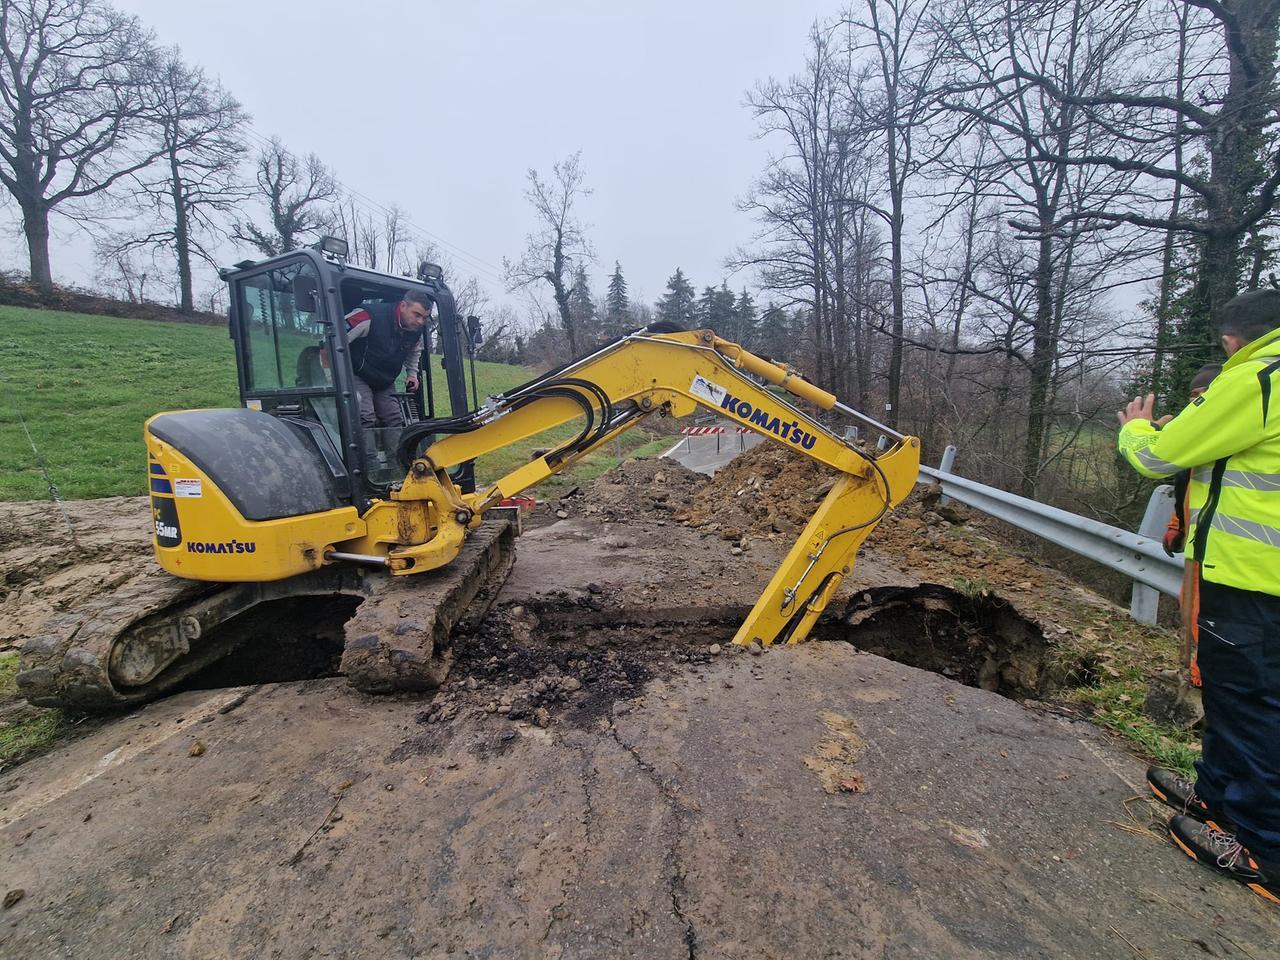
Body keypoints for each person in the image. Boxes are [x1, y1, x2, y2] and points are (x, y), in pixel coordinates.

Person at [1117, 289, 1280, 906]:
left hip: (1252, 579)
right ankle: (1216, 795)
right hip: (1260, 579)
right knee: (1239, 694)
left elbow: (1159, 457)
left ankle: (1263, 847)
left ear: (1235, 339)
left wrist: (1136, 428)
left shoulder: (1256, 378)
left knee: (1249, 704)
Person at [1160, 362, 1222, 689]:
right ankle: (1197, 674)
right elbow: (1187, 490)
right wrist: (1176, 526)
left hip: (1226, 546)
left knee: (1209, 616)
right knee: (1191, 605)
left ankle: (1202, 680)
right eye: (1192, 396)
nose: (1195, 402)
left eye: (1203, 394)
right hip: (1198, 542)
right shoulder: (1196, 438)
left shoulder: (1224, 438)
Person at [344, 289, 432, 429]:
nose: (420, 321)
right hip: (356, 373)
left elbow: (414, 350)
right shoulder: (368, 316)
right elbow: (333, 339)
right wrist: (331, 378)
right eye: (417, 315)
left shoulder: (415, 330)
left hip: (384, 379)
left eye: (424, 317)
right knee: (365, 416)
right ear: (403, 306)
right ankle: (365, 452)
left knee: (394, 419)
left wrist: (412, 374)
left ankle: (399, 451)